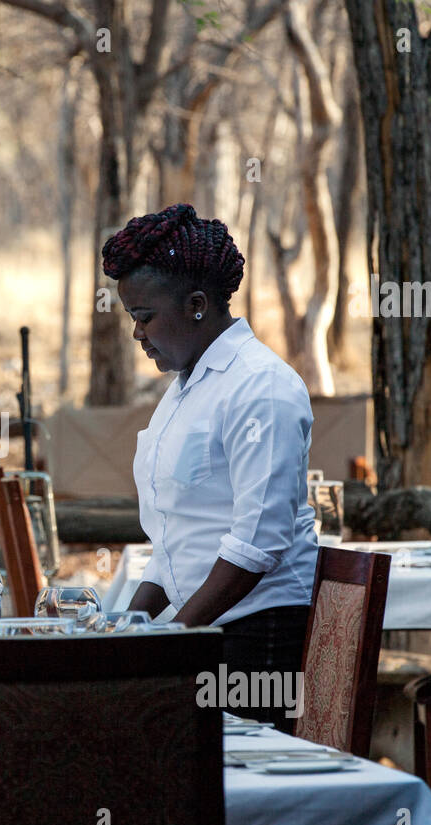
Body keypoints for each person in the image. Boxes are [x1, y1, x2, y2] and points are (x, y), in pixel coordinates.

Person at [107, 203, 317, 732]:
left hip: (255, 642)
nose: (138, 334)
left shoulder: (260, 386)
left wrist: (176, 638)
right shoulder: (186, 390)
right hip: (207, 631)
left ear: (197, 304)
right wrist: (126, 629)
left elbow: (256, 543)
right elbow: (178, 542)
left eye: (144, 317)